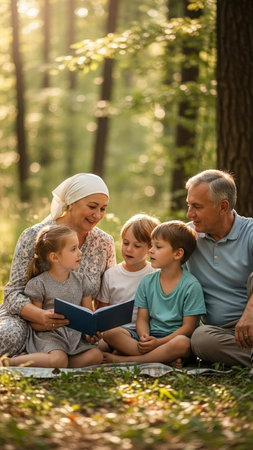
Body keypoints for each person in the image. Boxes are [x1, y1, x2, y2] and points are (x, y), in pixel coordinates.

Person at [0, 173, 116, 357]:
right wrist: (40, 316)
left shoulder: (104, 243)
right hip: (26, 318)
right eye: (92, 207)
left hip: (75, 328)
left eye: (103, 208)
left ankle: (46, 360)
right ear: (70, 203)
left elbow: (106, 295)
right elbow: (13, 293)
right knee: (7, 337)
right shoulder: (36, 235)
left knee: (108, 344)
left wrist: (97, 327)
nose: (98, 215)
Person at [103, 221, 206, 366]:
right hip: (149, 336)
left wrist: (159, 342)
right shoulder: (147, 281)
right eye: (151, 245)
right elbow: (142, 318)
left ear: (178, 253)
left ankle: (128, 359)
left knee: (182, 343)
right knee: (110, 333)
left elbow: (188, 328)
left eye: (158, 247)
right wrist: (145, 338)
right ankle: (163, 359)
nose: (150, 250)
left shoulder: (191, 285)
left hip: (173, 340)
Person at [3, 225, 103, 367]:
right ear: (55, 257)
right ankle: (11, 361)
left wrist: (90, 333)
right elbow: (35, 324)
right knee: (58, 359)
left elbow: (88, 317)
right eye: (73, 249)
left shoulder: (82, 281)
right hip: (49, 336)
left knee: (97, 355)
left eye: (78, 248)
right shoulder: (39, 284)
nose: (80, 253)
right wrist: (49, 322)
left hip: (74, 338)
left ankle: (59, 363)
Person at [185, 169, 253, 367]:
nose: (190, 214)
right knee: (201, 339)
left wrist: (250, 313)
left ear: (223, 207)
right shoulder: (188, 237)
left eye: (197, 207)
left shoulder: (250, 232)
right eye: (189, 205)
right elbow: (158, 270)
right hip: (222, 334)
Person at [95, 214, 160, 350]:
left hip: (147, 331)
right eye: (125, 243)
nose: (129, 249)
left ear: (150, 248)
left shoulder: (154, 273)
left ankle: (132, 352)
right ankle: (146, 353)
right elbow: (101, 309)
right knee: (102, 344)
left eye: (137, 246)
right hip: (117, 331)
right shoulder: (111, 274)